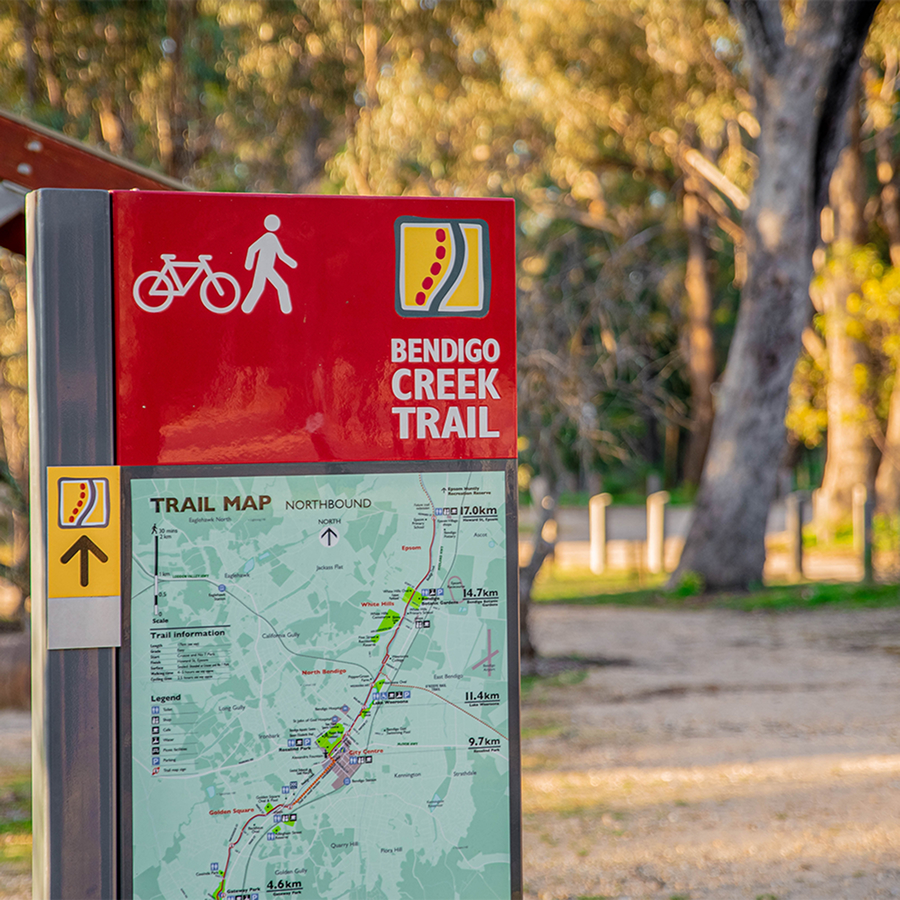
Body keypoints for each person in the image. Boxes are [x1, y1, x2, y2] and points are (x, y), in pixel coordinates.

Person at [241, 214, 298, 313]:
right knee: (278, 286)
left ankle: (246, 308)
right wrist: (248, 264)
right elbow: (252, 249)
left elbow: (281, 255)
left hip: (267, 268)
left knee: (259, 287)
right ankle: (286, 309)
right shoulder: (267, 237)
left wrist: (292, 263)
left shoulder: (272, 238)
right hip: (263, 268)